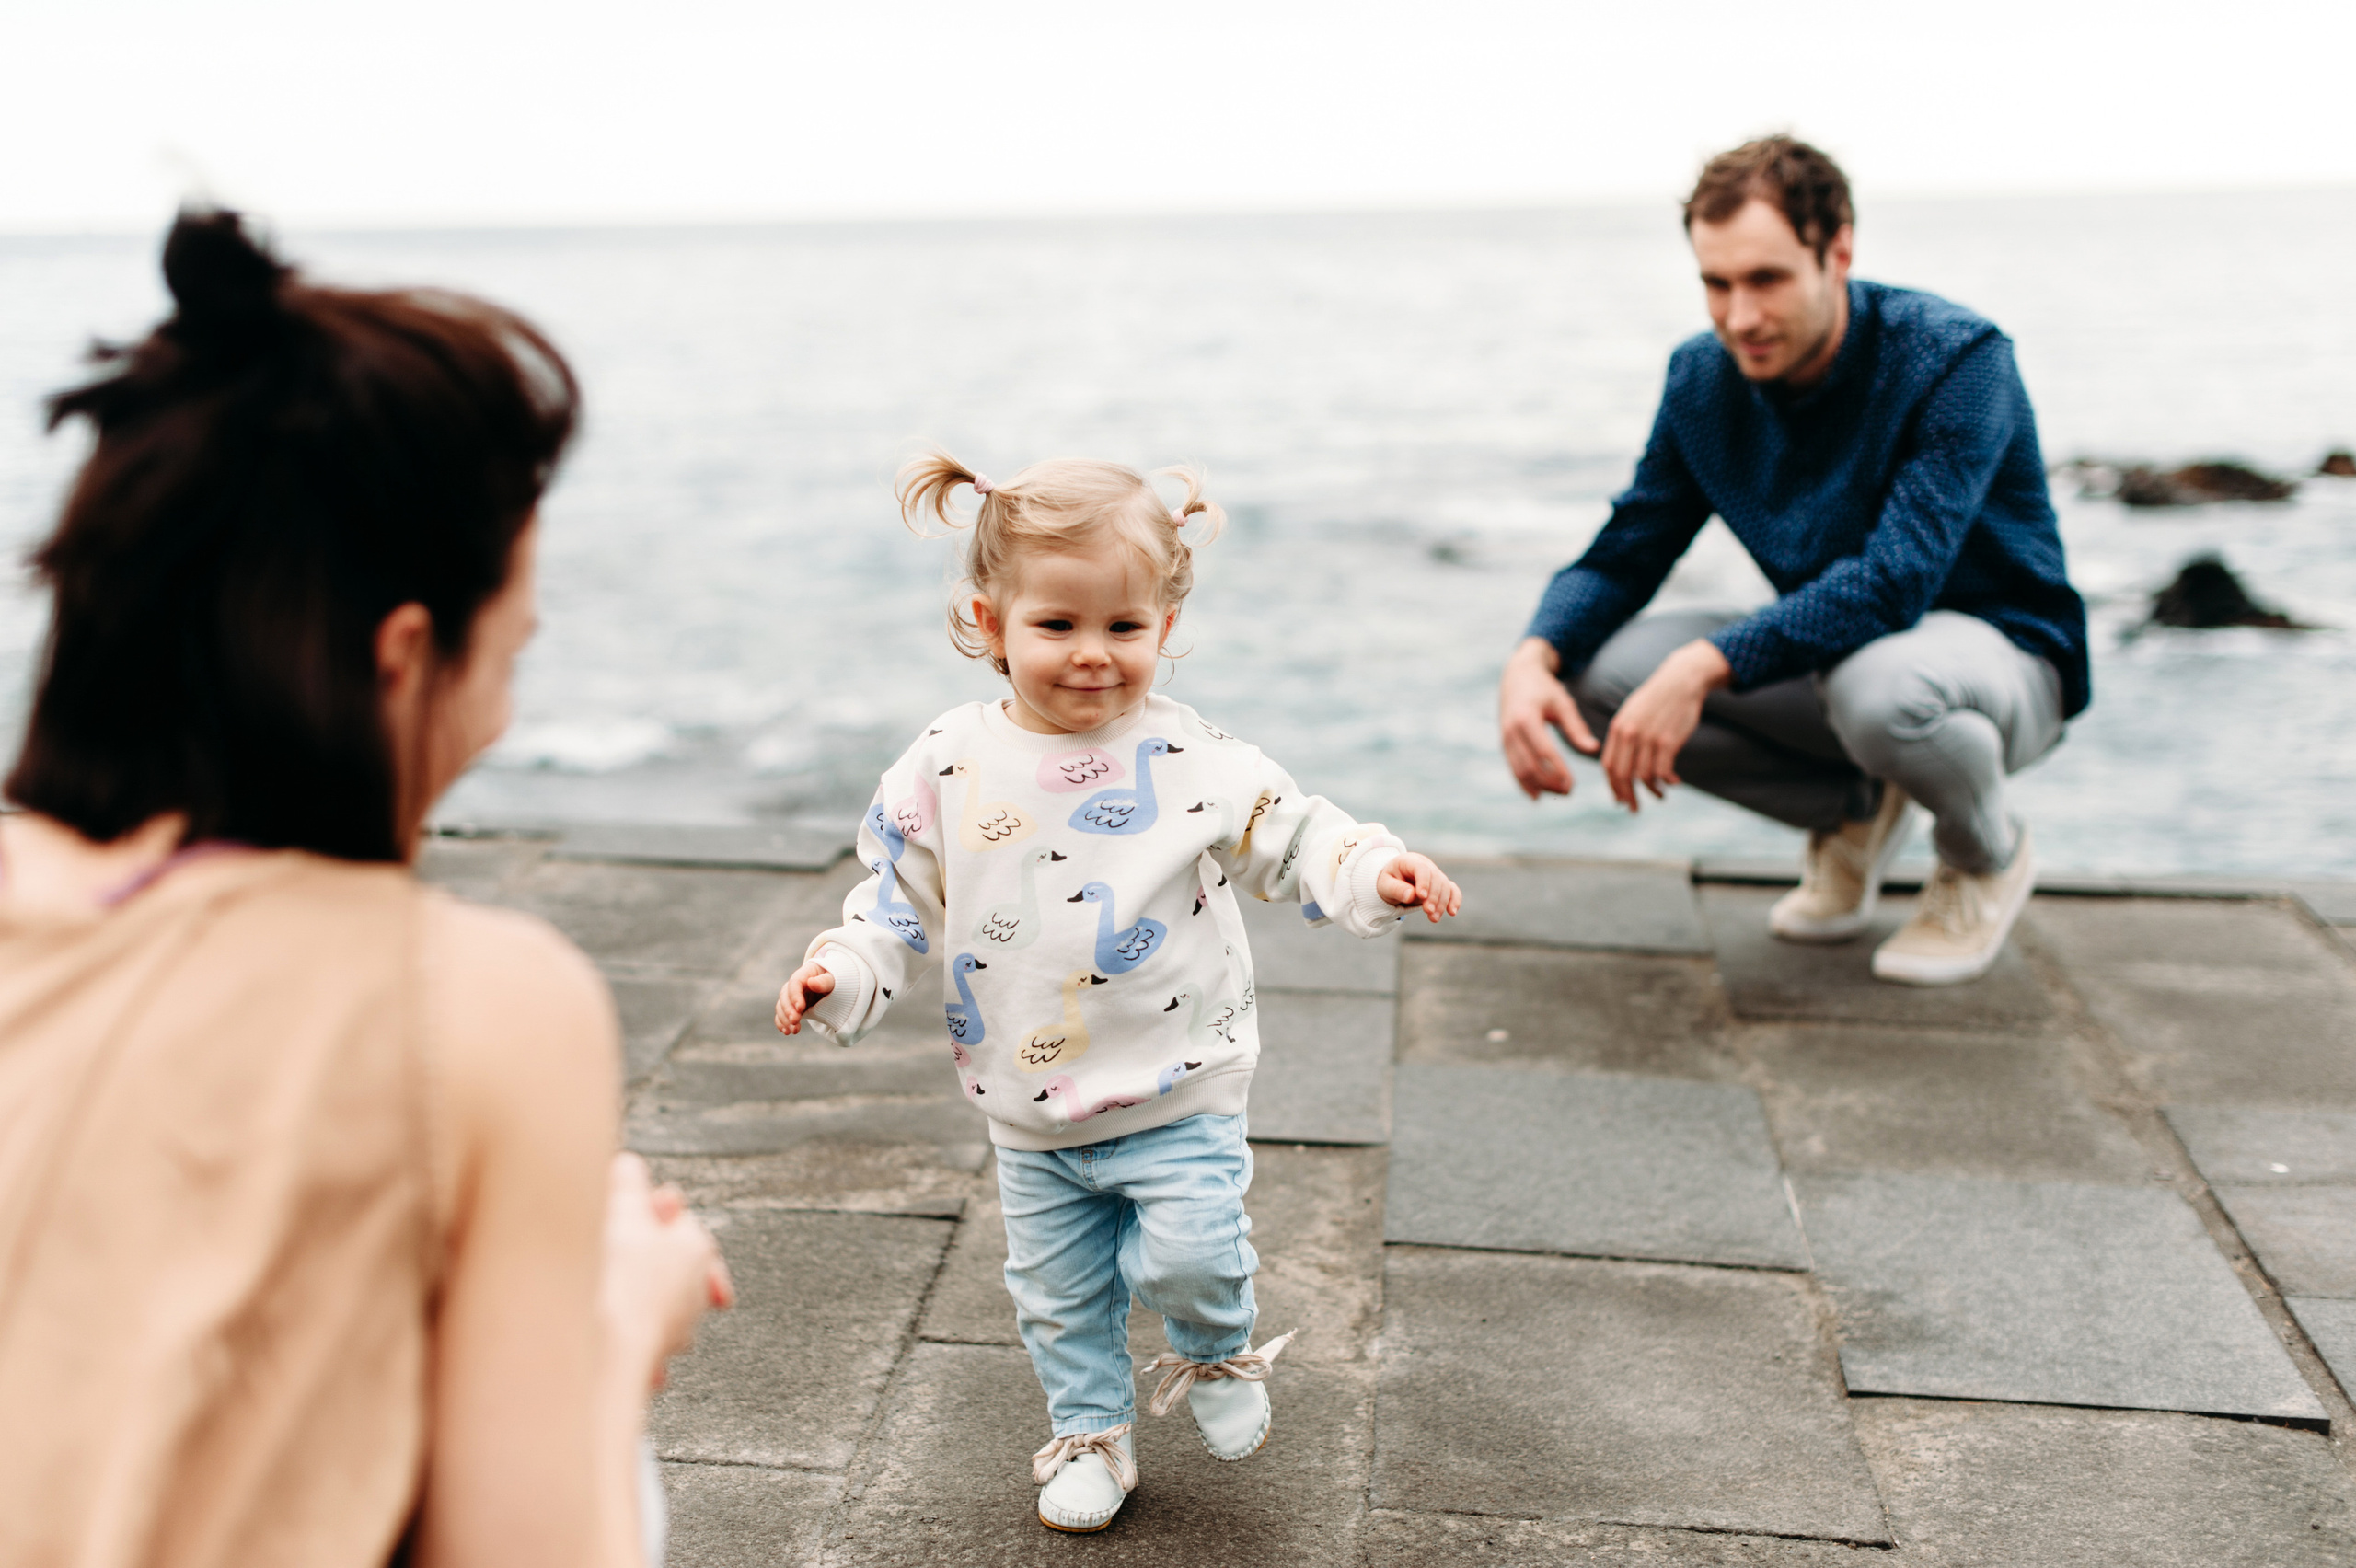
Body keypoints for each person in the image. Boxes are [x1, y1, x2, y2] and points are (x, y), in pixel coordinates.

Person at [0, 210, 730, 1568]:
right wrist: (622, 1316)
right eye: (510, 654)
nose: (503, 712)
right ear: (404, 658)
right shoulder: (486, 1007)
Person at [773, 452, 1461, 1532]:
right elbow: (892, 900)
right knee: (1057, 1298)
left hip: (1177, 1080)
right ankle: (1089, 1436)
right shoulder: (946, 762)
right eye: (1056, 627)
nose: (1092, 657)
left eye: (1124, 630)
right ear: (986, 620)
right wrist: (843, 972)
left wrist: (1371, 868)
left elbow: (1292, 832)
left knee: (1189, 1251)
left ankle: (1215, 1350)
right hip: (1026, 1104)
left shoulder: (1188, 753)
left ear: (1165, 625)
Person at [1497, 136, 2090, 986]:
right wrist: (1533, 654)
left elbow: (1896, 579)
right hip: (1842, 659)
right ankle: (1857, 814)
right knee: (1597, 676)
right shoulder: (1703, 379)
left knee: (1880, 690)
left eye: (1766, 279)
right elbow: (1629, 547)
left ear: (1836, 250)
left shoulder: (1957, 359)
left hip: (2007, 663)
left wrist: (1703, 664)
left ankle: (1984, 857)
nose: (1739, 316)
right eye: (1716, 283)